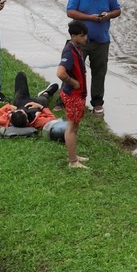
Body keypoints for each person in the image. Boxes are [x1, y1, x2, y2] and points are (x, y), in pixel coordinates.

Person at [65, 0, 122, 116]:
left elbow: (117, 10)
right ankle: (66, 99)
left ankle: (97, 102)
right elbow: (70, 12)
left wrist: (108, 15)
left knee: (99, 72)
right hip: (80, 42)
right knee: (73, 70)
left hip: (102, 41)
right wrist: (90, 17)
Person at [57, 21, 90, 169]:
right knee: (71, 127)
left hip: (76, 95)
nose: (85, 38)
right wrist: (73, 82)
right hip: (73, 95)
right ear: (73, 36)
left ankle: (74, 156)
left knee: (74, 126)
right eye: (82, 36)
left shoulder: (75, 48)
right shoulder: (69, 52)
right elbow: (60, 73)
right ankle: (72, 162)